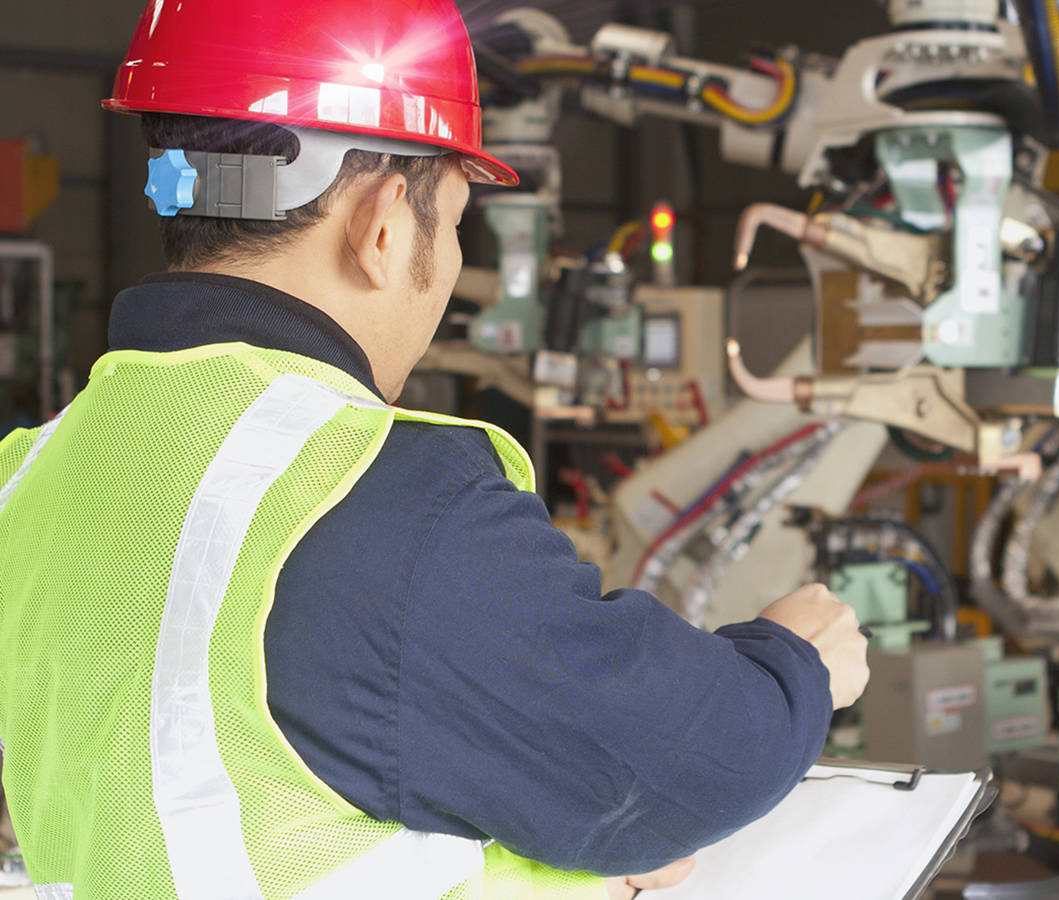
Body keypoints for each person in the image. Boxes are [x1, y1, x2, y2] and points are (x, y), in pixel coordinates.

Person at [0, 1, 869, 898]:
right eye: (454, 222)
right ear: (382, 227)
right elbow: (677, 763)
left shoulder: (31, 472)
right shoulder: (378, 497)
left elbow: (248, 820)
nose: (451, 262)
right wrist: (794, 669)